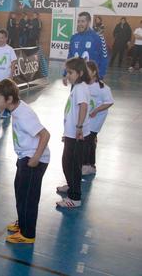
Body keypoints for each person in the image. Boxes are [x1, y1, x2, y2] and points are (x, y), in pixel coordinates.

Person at [0, 79, 50, 244]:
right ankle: (22, 222)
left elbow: (45, 135)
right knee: (20, 191)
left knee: (28, 197)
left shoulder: (23, 115)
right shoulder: (15, 108)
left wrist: (36, 158)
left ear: (9, 99)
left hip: (33, 160)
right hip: (24, 156)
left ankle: (28, 234)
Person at [56, 57, 91, 208]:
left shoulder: (81, 88)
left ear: (80, 73)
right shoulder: (77, 86)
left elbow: (83, 106)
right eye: (67, 72)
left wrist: (79, 127)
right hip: (71, 133)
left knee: (72, 165)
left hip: (77, 135)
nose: (67, 75)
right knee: (67, 162)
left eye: (70, 72)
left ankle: (75, 198)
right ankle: (72, 186)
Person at [82, 61, 114, 176]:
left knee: (88, 140)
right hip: (86, 119)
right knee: (90, 141)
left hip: (96, 120)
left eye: (88, 71)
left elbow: (109, 102)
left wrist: (96, 110)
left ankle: (86, 165)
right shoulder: (83, 85)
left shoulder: (103, 88)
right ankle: (91, 164)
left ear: (94, 72)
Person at [65, 12, 109, 83]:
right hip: (76, 79)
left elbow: (104, 59)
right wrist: (66, 73)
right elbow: (70, 57)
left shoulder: (98, 38)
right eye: (78, 21)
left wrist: (100, 76)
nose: (80, 24)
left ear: (88, 22)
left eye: (83, 21)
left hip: (91, 79)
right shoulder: (74, 38)